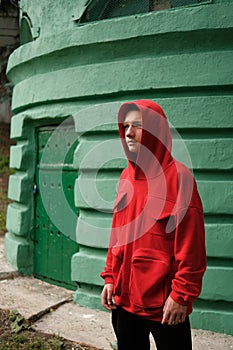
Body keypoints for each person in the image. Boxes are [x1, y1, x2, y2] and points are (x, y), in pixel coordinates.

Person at [100, 99, 206, 350]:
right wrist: (110, 276)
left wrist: (181, 296)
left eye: (137, 125)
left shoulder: (180, 178)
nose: (128, 132)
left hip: (165, 306)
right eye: (125, 126)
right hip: (124, 301)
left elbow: (192, 248)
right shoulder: (126, 176)